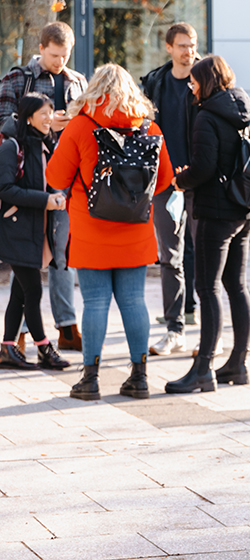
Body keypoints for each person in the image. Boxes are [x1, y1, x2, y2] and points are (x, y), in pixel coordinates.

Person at [45, 64, 174, 400]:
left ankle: (89, 380)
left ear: (94, 89)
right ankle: (140, 377)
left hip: (90, 229)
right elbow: (163, 181)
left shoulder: (80, 126)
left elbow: (56, 178)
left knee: (95, 302)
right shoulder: (150, 127)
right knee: (134, 301)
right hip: (136, 229)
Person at [165, 55, 250, 393]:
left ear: (206, 81)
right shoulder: (241, 107)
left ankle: (203, 369)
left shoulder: (207, 115)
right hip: (244, 208)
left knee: (207, 288)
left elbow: (204, 167)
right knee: (237, 285)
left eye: (194, 81)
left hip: (216, 211)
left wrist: (181, 180)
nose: (191, 86)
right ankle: (238, 363)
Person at [0, 21, 87, 352]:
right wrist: (45, 123)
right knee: (27, 258)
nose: (60, 62)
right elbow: (5, 124)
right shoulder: (17, 79)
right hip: (28, 182)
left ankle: (67, 326)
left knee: (62, 255)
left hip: (67, 182)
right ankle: (20, 333)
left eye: (65, 56)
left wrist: (70, 124)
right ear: (41, 49)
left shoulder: (79, 81)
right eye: (54, 55)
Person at [141, 22, 200, 356]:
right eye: (181, 45)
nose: (187, 50)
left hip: (199, 181)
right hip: (164, 181)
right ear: (169, 47)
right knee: (170, 257)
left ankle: (209, 332)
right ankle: (175, 328)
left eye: (191, 44)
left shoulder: (204, 81)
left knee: (203, 254)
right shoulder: (155, 83)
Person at [0, 93, 70, 370]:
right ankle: (44, 348)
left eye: (51, 113)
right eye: (43, 113)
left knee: (20, 292)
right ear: (29, 116)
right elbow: (5, 189)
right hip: (15, 229)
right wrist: (45, 200)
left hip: (36, 229)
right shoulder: (12, 146)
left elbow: (44, 183)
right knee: (33, 289)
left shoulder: (44, 144)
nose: (49, 118)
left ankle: (7, 347)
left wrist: (56, 195)